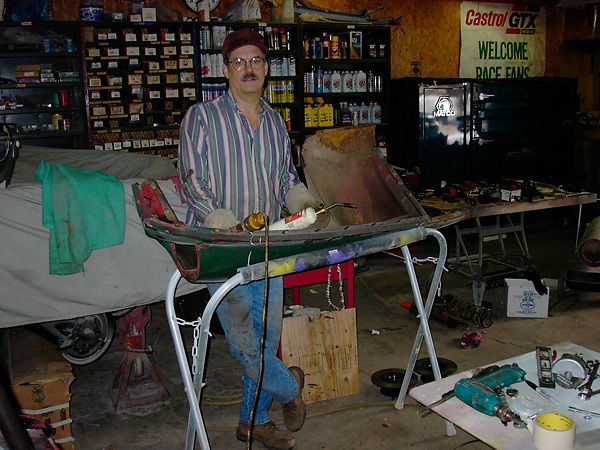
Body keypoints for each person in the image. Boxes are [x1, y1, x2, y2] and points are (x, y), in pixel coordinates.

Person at [178, 28, 319, 450]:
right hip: (222, 250)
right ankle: (288, 388)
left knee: (266, 334)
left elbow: (285, 180)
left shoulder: (276, 122)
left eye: (255, 60)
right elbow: (190, 179)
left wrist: (301, 200)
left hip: (269, 246)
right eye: (239, 61)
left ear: (267, 67)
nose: (248, 68)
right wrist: (220, 219)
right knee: (245, 342)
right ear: (225, 69)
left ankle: (252, 422)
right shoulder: (202, 117)